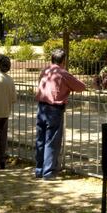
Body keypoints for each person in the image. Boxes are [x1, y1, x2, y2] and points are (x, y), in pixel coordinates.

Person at [35, 49, 86, 180]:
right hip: (54, 109)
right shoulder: (63, 73)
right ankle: (48, 172)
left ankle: (39, 169)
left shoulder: (45, 71)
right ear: (64, 61)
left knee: (41, 139)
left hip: (41, 107)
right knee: (51, 140)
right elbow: (80, 86)